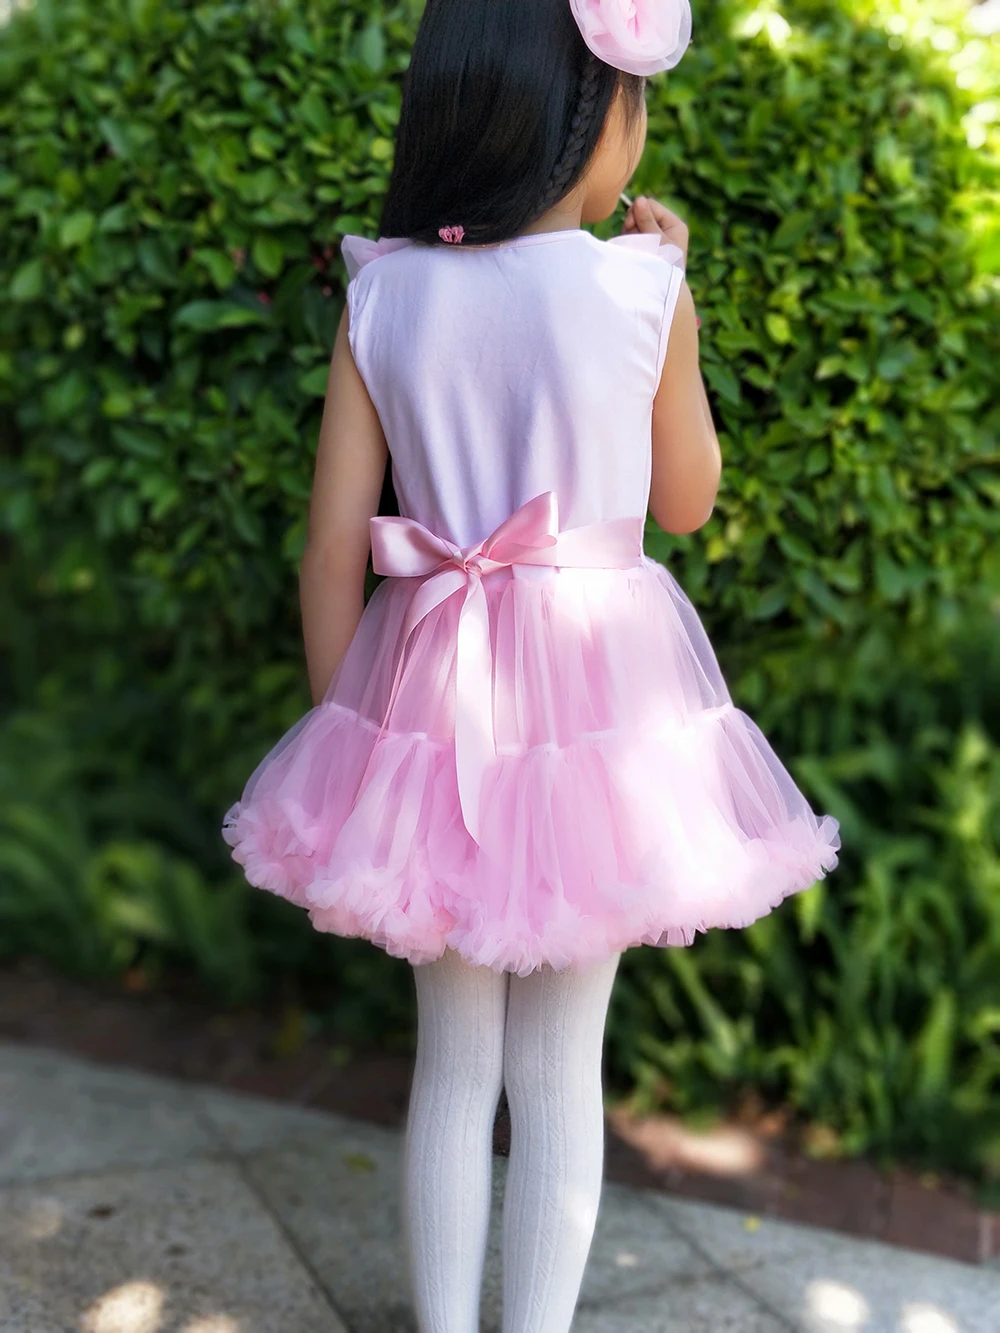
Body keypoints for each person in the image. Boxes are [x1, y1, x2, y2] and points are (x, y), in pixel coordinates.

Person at [222, 0, 841, 1328]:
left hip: (426, 697)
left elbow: (331, 551)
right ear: (594, 114)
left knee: (452, 1065)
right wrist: (675, 301)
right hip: (599, 717)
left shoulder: (384, 291)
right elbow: (687, 503)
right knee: (561, 1070)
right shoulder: (640, 286)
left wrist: (353, 745)